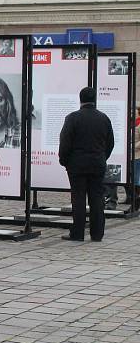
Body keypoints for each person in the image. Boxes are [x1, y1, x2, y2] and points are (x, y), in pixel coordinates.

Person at [59, 87, 114, 241]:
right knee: (97, 198)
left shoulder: (73, 118)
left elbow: (65, 142)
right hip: (97, 163)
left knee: (78, 199)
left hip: (77, 165)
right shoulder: (104, 118)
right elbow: (110, 143)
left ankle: (77, 233)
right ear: (95, 99)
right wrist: (102, 157)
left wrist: (64, 161)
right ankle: (97, 234)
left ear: (80, 99)